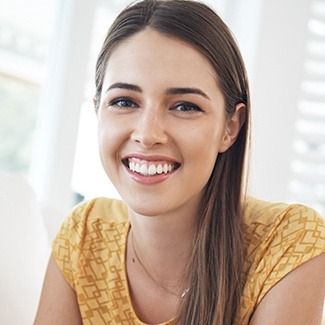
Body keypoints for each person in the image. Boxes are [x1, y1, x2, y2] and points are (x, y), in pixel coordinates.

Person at [34, 0, 325, 324]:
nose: (147, 134)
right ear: (98, 110)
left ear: (231, 127)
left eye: (185, 106)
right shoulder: (84, 237)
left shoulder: (287, 243)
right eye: (124, 101)